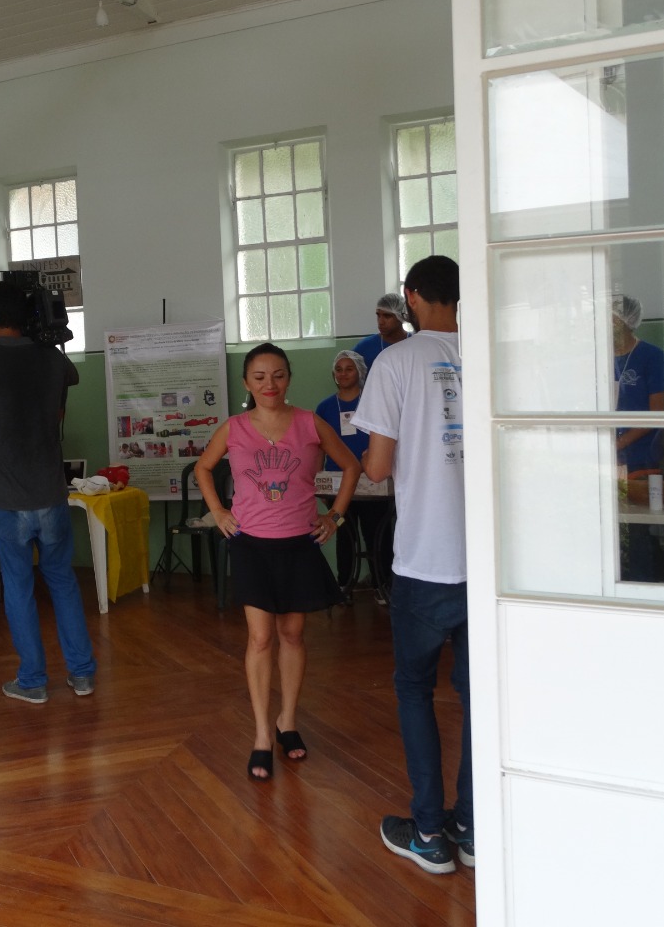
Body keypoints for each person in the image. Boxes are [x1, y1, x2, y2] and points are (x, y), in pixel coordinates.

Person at [354, 254, 470, 875]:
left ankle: (428, 831)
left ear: (412, 297)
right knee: (478, 697)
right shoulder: (487, 353)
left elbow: (376, 468)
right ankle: (472, 830)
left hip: (425, 558)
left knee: (415, 689)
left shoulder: (395, 362)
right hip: (486, 561)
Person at [196, 343, 359, 782]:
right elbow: (204, 468)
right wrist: (218, 512)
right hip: (251, 545)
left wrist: (335, 516)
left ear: (288, 378)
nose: (270, 384)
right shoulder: (233, 428)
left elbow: (351, 466)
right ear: (247, 383)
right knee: (260, 638)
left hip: (299, 545)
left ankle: (288, 721)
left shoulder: (309, 422)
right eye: (260, 377)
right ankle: (262, 735)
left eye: (279, 375)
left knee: (292, 634)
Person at [0, 281, 95, 704]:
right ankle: (82, 674)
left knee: (18, 585)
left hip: (6, 499)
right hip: (49, 493)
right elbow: (68, 384)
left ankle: (32, 681)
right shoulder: (51, 358)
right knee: (63, 582)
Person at [315, 348, 394, 602]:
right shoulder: (325, 407)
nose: (343, 374)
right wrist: (318, 482)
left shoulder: (373, 402)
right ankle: (344, 586)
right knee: (343, 534)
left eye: (349, 369)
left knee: (377, 534)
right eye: (338, 369)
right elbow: (318, 447)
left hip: (373, 480)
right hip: (338, 484)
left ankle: (382, 585)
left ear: (359, 372)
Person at [612, 295, 664, 583]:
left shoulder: (651, 356)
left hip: (641, 456)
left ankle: (644, 586)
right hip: (607, 457)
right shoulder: (598, 356)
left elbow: (657, 413)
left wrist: (619, 443)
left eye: (610, 318)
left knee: (640, 529)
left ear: (625, 322)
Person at [353, 293, 411, 372]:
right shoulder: (365, 347)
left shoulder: (415, 344)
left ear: (400, 316)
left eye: (387, 316)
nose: (380, 322)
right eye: (378, 315)